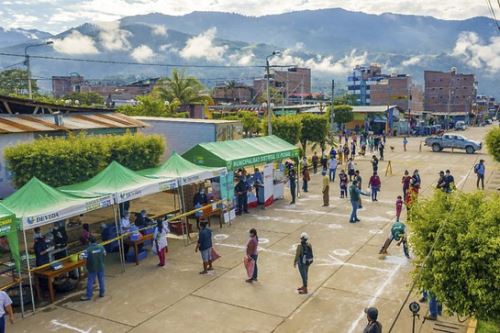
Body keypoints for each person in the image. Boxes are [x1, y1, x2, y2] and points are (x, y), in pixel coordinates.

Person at [80, 236, 106, 301]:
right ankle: (102, 293)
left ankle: (89, 295)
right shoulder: (101, 247)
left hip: (92, 268)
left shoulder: (87, 250)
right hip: (100, 266)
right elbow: (105, 254)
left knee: (90, 281)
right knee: (101, 280)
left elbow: (81, 257)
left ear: (89, 242)